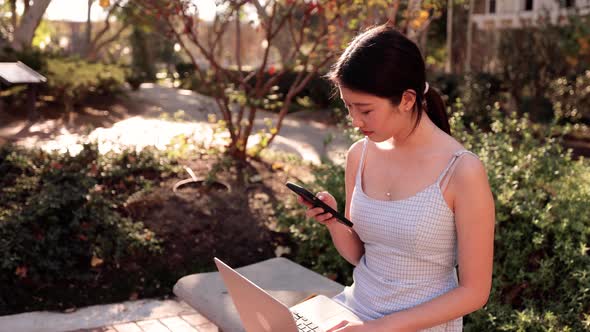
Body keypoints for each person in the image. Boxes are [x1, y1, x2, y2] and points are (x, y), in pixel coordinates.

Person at [297, 25, 495, 331]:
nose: (355, 121)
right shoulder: (358, 155)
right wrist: (335, 222)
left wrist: (379, 329)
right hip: (355, 312)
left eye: (365, 109)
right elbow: (361, 256)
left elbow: (474, 293)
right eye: (348, 107)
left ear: (406, 99)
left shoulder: (461, 171)